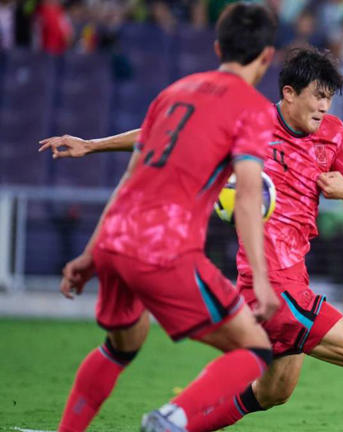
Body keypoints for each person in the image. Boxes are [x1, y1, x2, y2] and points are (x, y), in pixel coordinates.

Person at [40, 46, 343, 432]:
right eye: (317, 96)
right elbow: (165, 134)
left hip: (293, 274)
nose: (324, 107)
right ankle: (174, 419)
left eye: (329, 98)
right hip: (273, 280)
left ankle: (175, 425)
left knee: (274, 391)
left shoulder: (335, 134)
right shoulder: (250, 124)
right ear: (289, 93)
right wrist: (93, 145)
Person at [51, 4, 279, 432]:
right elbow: (248, 199)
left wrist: (90, 253)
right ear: (267, 56)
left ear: (218, 48)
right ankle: (171, 421)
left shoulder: (175, 92)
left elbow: (129, 180)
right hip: (163, 249)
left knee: (123, 343)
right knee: (255, 349)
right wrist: (262, 282)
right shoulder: (252, 108)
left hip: (115, 239)